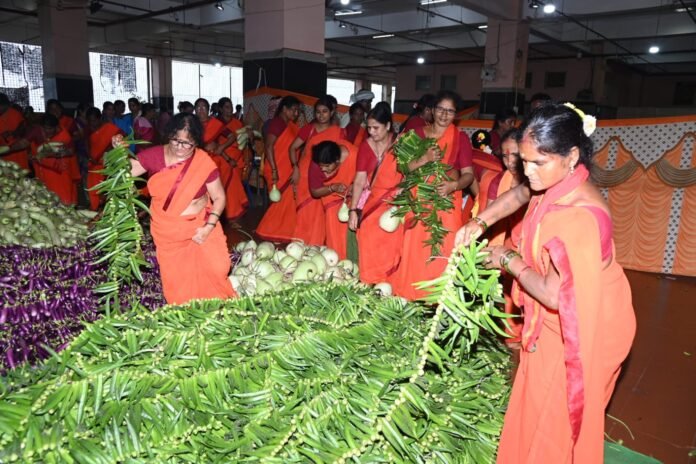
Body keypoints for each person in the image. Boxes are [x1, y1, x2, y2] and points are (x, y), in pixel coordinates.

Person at [455, 102, 635, 463]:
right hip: (557, 319)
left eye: (539, 162)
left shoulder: (578, 218)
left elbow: (555, 295)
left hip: (584, 324)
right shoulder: (554, 181)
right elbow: (520, 193)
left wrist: (507, 258)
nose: (528, 172)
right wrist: (480, 222)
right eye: (523, 160)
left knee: (555, 423)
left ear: (571, 156)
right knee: (533, 405)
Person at [112, 113, 236, 304]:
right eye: (176, 140)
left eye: (188, 144)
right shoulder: (154, 156)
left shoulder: (203, 162)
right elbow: (123, 174)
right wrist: (118, 153)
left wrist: (208, 227)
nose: (180, 147)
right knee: (179, 282)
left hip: (201, 226)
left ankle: (215, 306)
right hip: (169, 232)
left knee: (218, 267)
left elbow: (219, 196)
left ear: (196, 143)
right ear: (169, 135)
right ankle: (188, 317)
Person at [390, 90, 475, 300]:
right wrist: (425, 159)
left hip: (446, 200)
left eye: (450, 111)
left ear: (456, 114)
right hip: (419, 199)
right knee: (416, 246)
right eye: (441, 109)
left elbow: (469, 175)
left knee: (443, 248)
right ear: (433, 109)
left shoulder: (460, 138)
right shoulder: (417, 134)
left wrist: (453, 185)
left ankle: (438, 297)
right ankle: (413, 293)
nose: (444, 115)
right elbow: (403, 168)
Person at [348, 102, 403, 283]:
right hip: (374, 199)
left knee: (394, 234)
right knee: (366, 230)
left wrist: (401, 195)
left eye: (376, 128)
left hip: (397, 200)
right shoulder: (366, 146)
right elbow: (359, 180)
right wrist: (353, 210)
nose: (372, 132)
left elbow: (411, 173)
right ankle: (371, 278)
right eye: (369, 127)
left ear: (388, 126)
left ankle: (390, 280)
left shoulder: (401, 144)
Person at [291, 96, 345, 245]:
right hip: (305, 175)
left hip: (327, 175)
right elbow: (292, 147)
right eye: (318, 112)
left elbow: (340, 155)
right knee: (305, 214)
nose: (321, 115)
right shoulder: (309, 129)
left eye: (325, 111)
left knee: (321, 214)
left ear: (332, 112)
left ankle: (316, 245)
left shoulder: (338, 132)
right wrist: (295, 167)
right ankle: (300, 246)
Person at [255, 96, 301, 242]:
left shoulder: (291, 126)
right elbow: (268, 147)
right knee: (279, 202)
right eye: (293, 110)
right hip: (278, 169)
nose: (296, 114)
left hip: (289, 169)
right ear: (284, 109)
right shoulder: (277, 124)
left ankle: (285, 231)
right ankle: (269, 230)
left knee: (287, 203)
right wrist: (275, 170)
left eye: (297, 111)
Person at [309, 140, 358, 259]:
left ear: (337, 161)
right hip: (330, 200)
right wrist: (332, 187)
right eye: (321, 166)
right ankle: (339, 260)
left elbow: (364, 173)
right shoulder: (316, 164)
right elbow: (315, 192)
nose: (324, 170)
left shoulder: (354, 154)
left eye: (327, 166)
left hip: (354, 198)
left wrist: (354, 184)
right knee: (334, 232)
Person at [25, 114, 80, 205]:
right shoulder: (38, 133)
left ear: (56, 127)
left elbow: (70, 151)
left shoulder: (64, 136)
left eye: (50, 129)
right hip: (43, 172)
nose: (47, 131)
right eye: (45, 128)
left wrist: (50, 154)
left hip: (60, 171)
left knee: (63, 199)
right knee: (47, 199)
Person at [213, 97, 249, 221]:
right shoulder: (216, 124)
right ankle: (227, 215)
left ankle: (232, 215)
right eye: (227, 107)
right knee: (224, 189)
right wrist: (228, 159)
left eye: (231, 106)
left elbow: (243, 142)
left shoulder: (238, 123)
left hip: (237, 161)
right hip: (222, 161)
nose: (230, 109)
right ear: (221, 109)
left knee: (234, 191)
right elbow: (216, 146)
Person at [85, 107, 123, 210]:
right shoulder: (88, 130)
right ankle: (95, 210)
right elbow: (87, 145)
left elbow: (122, 137)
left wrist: (108, 149)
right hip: (94, 165)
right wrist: (91, 157)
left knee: (106, 191)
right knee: (93, 190)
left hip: (108, 165)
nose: (92, 123)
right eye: (90, 121)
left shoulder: (109, 128)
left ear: (99, 118)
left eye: (94, 120)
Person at [0, 93, 29, 170]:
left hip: (18, 155)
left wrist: (13, 133)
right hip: (4, 156)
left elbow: (23, 129)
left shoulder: (15, 113)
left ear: (5, 105)